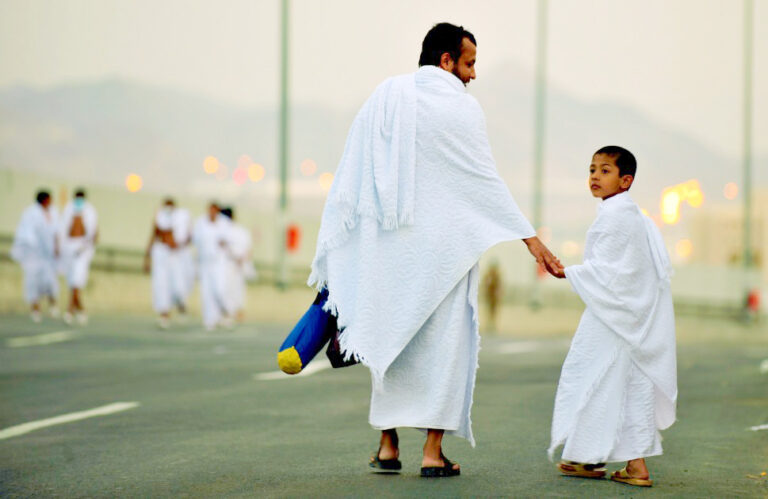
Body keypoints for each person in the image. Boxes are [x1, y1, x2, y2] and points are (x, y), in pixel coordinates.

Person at [307, 22, 562, 477]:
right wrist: (530, 238)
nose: (473, 75)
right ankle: (431, 452)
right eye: (469, 63)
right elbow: (483, 180)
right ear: (446, 61)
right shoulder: (461, 109)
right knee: (444, 349)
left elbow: (355, 173)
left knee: (390, 341)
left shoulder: (385, 98)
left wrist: (353, 245)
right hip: (444, 254)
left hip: (389, 251)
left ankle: (387, 447)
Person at [548, 146, 677, 488]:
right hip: (626, 316)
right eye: (591, 169)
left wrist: (569, 274)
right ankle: (591, 458)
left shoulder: (616, 216)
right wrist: (579, 273)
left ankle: (632, 465)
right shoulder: (629, 214)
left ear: (625, 181)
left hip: (614, 316)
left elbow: (612, 274)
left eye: (605, 171)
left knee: (596, 377)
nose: (594, 176)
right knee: (612, 382)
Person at [11, 190, 60, 322]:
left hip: (48, 255)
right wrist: (32, 248)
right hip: (33, 255)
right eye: (49, 199)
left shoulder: (53, 212)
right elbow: (26, 233)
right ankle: (35, 309)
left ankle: (53, 306)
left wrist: (56, 247)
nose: (51, 202)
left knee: (50, 281)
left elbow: (56, 231)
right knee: (32, 282)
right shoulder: (30, 213)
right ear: (44, 200)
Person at [144, 198, 187, 329]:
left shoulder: (179, 219)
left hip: (174, 256)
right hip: (160, 253)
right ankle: (164, 314)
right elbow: (153, 235)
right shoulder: (159, 217)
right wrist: (147, 257)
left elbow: (180, 240)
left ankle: (180, 305)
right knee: (160, 284)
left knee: (176, 286)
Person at [59, 188, 98, 325]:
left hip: (82, 247)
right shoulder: (68, 209)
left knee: (77, 278)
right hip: (69, 246)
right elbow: (62, 229)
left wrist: (89, 247)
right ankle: (80, 309)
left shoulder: (90, 211)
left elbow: (94, 232)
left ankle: (70, 309)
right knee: (71, 280)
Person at [193, 202, 233, 331]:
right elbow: (196, 240)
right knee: (206, 292)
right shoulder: (200, 222)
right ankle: (209, 319)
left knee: (219, 290)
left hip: (219, 263)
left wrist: (224, 243)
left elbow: (229, 240)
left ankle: (226, 311)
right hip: (205, 262)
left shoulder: (225, 223)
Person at [220, 207, 254, 322]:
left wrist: (240, 259)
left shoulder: (235, 231)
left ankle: (234, 313)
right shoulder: (240, 231)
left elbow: (248, 249)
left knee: (234, 289)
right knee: (232, 288)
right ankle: (232, 312)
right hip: (231, 263)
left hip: (234, 264)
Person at [481, 261, 502, 332]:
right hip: (489, 295)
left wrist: (499, 293)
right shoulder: (488, 275)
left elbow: (499, 286)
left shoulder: (496, 275)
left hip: (494, 297)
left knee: (493, 310)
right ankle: (489, 323)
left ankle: (492, 324)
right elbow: (485, 284)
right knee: (488, 310)